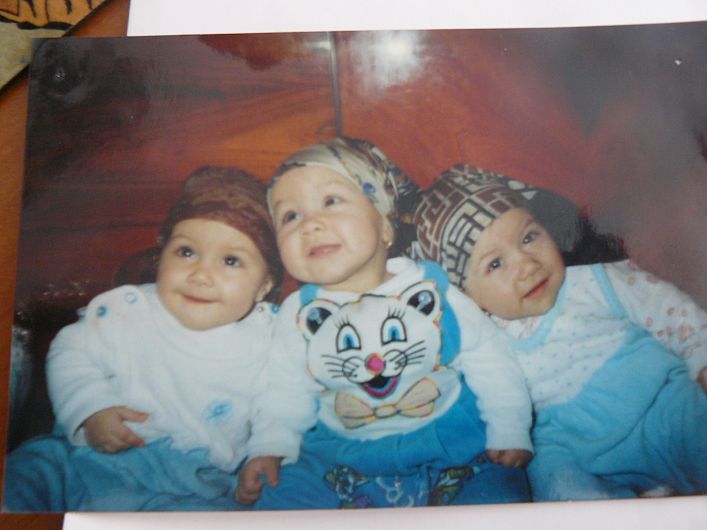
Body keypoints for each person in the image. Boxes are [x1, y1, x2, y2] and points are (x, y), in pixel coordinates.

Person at [236, 138, 533, 509]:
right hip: (340, 460)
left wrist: (509, 427)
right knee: (280, 501)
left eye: (331, 201)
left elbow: (492, 360)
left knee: (500, 497)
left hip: (452, 448)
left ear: (384, 225)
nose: (310, 225)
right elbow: (283, 389)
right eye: (290, 216)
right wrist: (269, 446)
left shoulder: (434, 291)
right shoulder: (298, 314)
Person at [412, 164, 707, 501]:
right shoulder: (481, 341)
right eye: (495, 264)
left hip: (663, 405)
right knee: (554, 480)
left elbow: (668, 309)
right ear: (468, 297)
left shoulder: (592, 279)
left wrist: (701, 354)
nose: (527, 264)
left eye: (529, 237)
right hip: (576, 448)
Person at [3, 166, 282, 511]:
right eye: (186, 252)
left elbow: (281, 404)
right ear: (162, 254)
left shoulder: (267, 341)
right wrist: (91, 407)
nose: (200, 274)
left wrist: (266, 451)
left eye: (231, 260)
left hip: (189, 484)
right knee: (26, 473)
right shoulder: (130, 310)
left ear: (264, 285)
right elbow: (71, 348)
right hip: (83, 459)